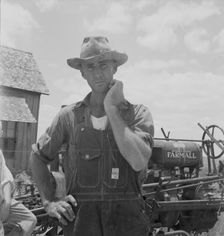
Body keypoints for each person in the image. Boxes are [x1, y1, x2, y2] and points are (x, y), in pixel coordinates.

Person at [30, 36, 154, 236]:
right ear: (82, 73)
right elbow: (37, 156)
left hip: (128, 227)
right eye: (90, 67)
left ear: (115, 67)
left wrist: (112, 109)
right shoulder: (68, 117)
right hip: (81, 227)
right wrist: (50, 202)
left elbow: (139, 160)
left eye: (103, 65)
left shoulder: (138, 114)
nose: (97, 73)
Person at [0, 127, 37, 236]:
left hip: (3, 200)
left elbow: (5, 178)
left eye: (1, 130)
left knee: (30, 219)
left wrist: (6, 202)